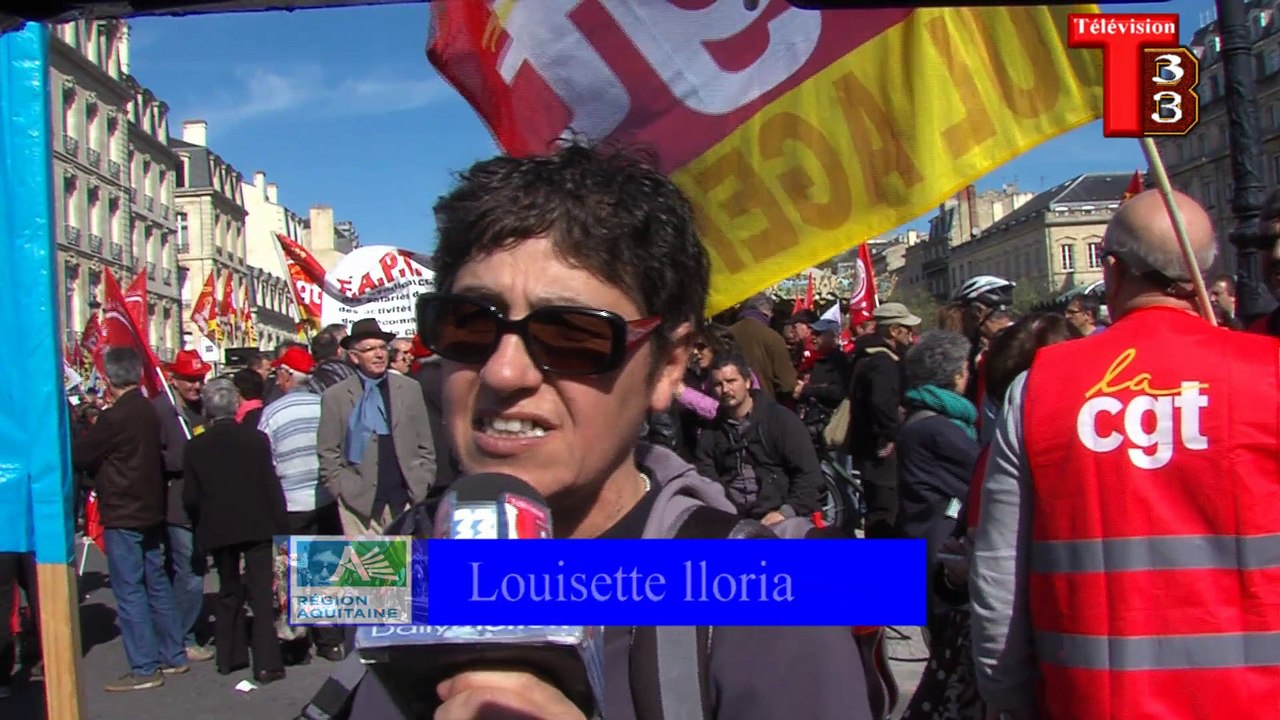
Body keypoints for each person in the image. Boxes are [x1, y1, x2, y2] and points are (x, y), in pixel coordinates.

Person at [311, 142, 871, 720]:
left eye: (572, 336)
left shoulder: (774, 601)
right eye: (469, 323)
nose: (504, 372)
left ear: (670, 366)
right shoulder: (388, 563)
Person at [970, 189, 1280, 719]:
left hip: (1090, 697)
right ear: (1206, 272)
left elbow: (1000, 571)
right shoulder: (1268, 371)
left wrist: (1010, 698)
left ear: (1110, 271)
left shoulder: (1043, 386)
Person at [72, 347, 188, 691]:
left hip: (124, 508)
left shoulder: (116, 416)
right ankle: (173, 653)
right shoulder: (149, 410)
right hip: (151, 505)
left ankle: (144, 666)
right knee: (156, 581)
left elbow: (82, 454)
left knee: (130, 589)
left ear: (108, 378)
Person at [183, 378, 288, 683]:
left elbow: (190, 495)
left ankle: (230, 657)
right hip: (257, 523)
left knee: (228, 590)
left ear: (207, 410)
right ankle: (268, 662)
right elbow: (271, 484)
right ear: (236, 405)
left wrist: (199, 520)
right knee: (260, 592)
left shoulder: (195, 446)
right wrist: (279, 523)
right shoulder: (256, 440)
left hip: (219, 525)